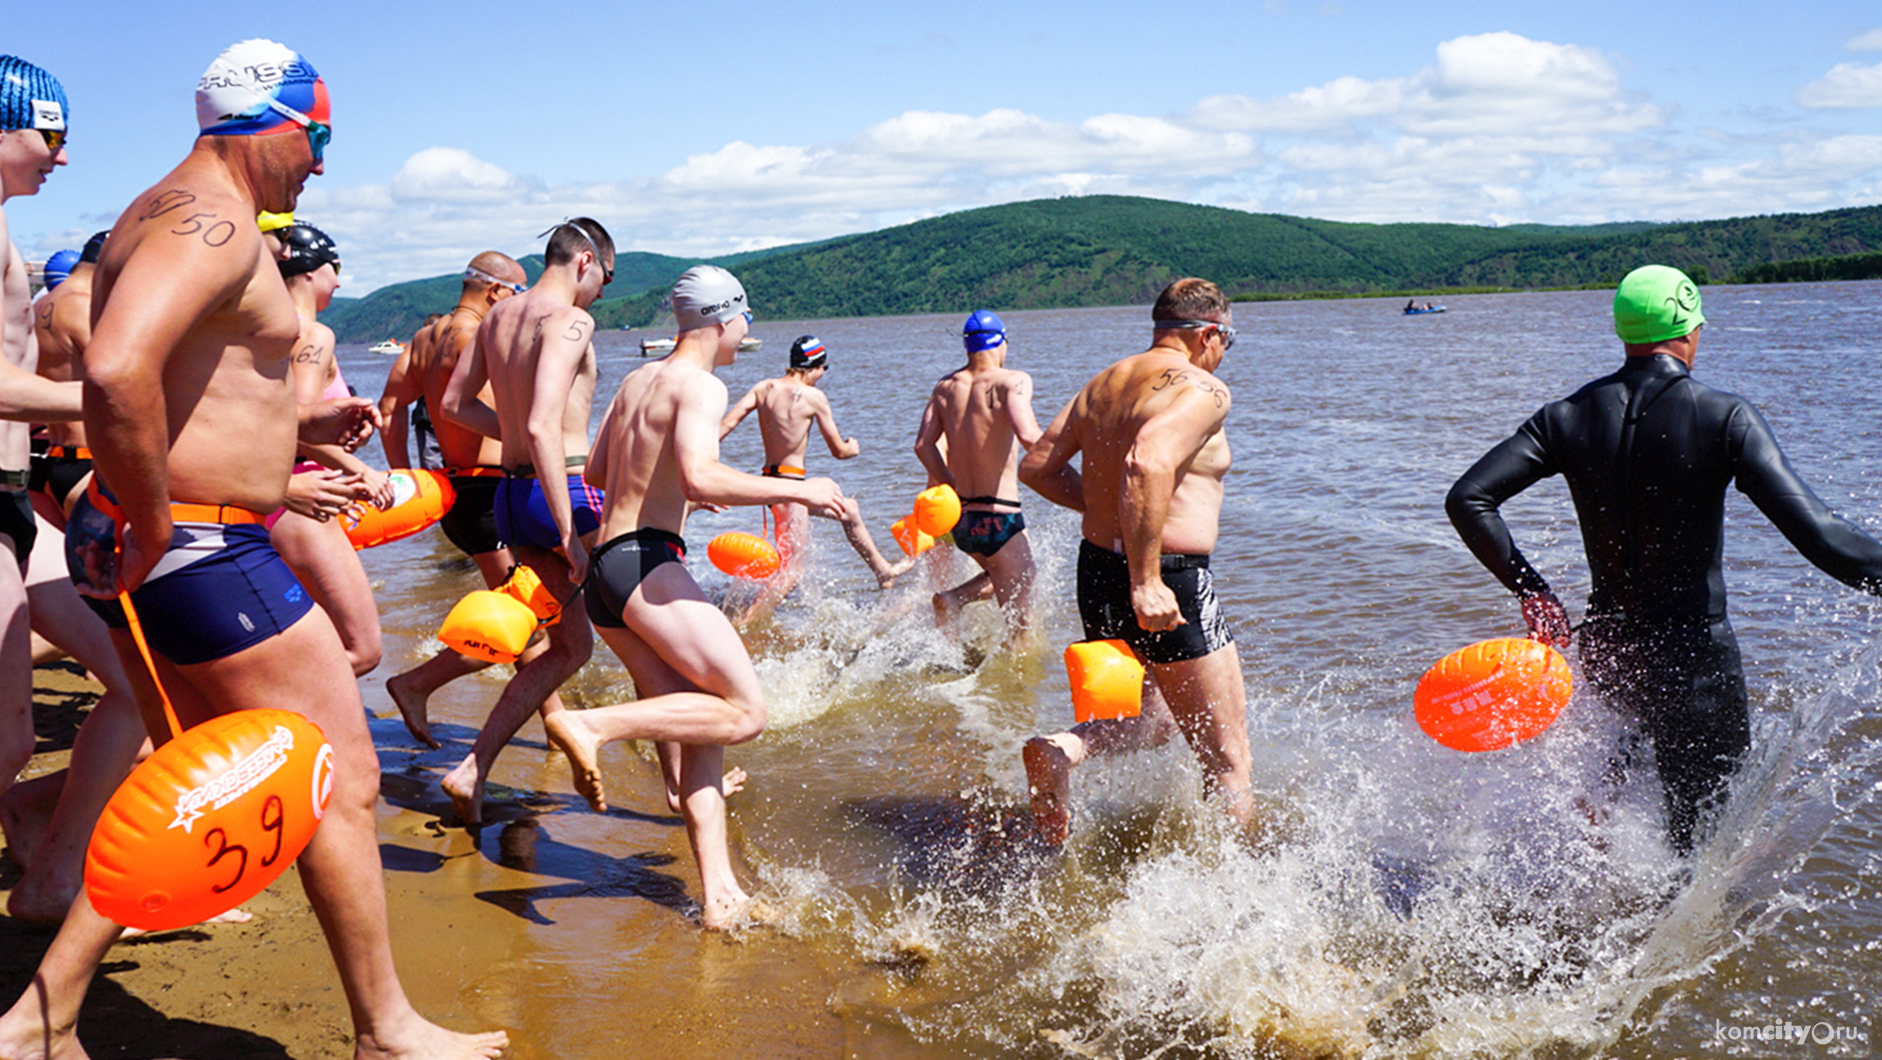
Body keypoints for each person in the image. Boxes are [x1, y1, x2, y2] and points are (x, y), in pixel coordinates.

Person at [0, 40, 508, 1060]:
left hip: (176, 525)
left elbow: (180, 383)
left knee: (193, 777)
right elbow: (117, 369)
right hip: (194, 539)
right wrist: (149, 522)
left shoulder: (165, 208)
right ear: (267, 122)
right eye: (315, 137)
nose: (319, 162)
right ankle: (386, 1028)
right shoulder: (217, 219)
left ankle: (39, 1013)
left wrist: (302, 437)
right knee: (344, 774)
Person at [1446, 264, 1882, 855]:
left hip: (1610, 649)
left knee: (1616, 794)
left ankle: (1588, 914)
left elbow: (1469, 498)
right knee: (1701, 842)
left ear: (1625, 332)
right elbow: (1823, 536)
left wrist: (1532, 591)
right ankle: (1664, 938)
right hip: (1694, 660)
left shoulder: (1565, 416)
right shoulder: (1723, 416)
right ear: (1687, 328)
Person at [551, 265, 846, 929]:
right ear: (722, 320)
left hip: (606, 570)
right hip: (645, 563)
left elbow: (598, 471)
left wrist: (683, 486)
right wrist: (800, 489)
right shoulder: (703, 385)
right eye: (745, 319)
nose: (748, 332)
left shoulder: (637, 380)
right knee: (744, 713)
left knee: (699, 725)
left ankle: (720, 897)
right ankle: (589, 725)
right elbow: (698, 469)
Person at [1017, 278, 1253, 845]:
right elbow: (1147, 462)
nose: (1225, 356)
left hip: (1096, 570)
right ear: (1210, 335)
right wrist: (1147, 581)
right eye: (1230, 342)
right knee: (1229, 760)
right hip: (1166, 580)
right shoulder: (1204, 389)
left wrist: (1110, 515)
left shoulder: (1105, 383)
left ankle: (1066, 748)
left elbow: (1038, 468)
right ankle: (1234, 899)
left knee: (1151, 722)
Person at [438, 220, 612, 824]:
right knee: (649, 635)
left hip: (511, 494)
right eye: (605, 281)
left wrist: (510, 435)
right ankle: (682, 786)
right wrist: (568, 530)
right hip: (560, 488)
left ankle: (472, 767)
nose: (600, 297)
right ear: (585, 262)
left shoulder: (497, 319)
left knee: (567, 647)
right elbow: (543, 424)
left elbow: (453, 406)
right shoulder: (570, 320)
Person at [378, 252, 546, 748]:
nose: (520, 304)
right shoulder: (482, 336)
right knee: (529, 624)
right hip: (490, 491)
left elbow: (390, 408)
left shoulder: (424, 340)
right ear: (496, 292)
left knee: (533, 615)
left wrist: (404, 477)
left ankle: (558, 730)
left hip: (460, 491)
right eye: (519, 294)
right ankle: (416, 684)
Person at [719, 333, 911, 620]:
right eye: (824, 369)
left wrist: (698, 455)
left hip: (770, 484)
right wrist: (852, 448)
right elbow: (839, 451)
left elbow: (728, 422)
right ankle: (745, 625)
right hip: (791, 488)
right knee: (793, 571)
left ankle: (882, 571)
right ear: (816, 366)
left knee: (849, 509)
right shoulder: (814, 397)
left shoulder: (763, 388)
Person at [269, 220, 388, 677]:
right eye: (334, 268)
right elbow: (293, 422)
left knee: (305, 636)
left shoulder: (261, 332)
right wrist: (361, 469)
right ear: (309, 271)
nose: (338, 281)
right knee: (361, 649)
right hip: (300, 495)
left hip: (265, 491)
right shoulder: (313, 335)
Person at [914, 310, 1043, 639]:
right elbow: (1029, 436)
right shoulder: (1012, 380)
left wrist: (949, 484)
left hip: (962, 521)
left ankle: (955, 608)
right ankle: (953, 600)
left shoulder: (945, 387)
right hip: (1000, 515)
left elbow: (923, 446)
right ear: (1001, 342)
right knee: (1021, 624)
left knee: (1006, 574)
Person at [29, 231, 106, 524]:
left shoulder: (40, 307)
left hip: (52, 458)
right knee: (114, 566)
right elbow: (122, 373)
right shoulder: (85, 306)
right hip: (89, 464)